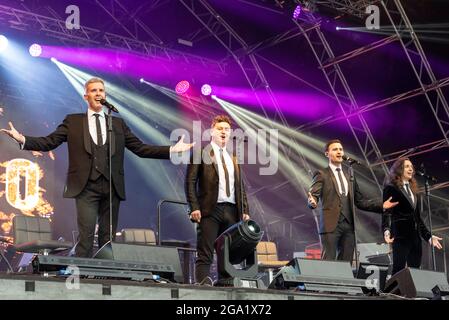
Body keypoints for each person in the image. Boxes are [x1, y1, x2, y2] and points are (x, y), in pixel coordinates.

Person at [1, 77, 194, 257]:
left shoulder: (117, 124)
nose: (98, 93)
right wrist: (23, 139)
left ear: (105, 95)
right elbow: (49, 142)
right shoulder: (73, 121)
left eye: (101, 90)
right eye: (93, 90)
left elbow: (141, 148)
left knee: (107, 238)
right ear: (86, 96)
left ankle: (105, 280)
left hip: (111, 186)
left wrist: (171, 150)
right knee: (85, 236)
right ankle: (82, 277)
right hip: (85, 186)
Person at [308, 139, 398, 262]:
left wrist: (381, 205)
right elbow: (313, 194)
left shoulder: (349, 175)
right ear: (327, 154)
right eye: (335, 149)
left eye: (340, 149)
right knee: (328, 261)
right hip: (330, 225)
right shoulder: (321, 173)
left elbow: (360, 201)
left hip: (349, 225)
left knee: (346, 261)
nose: (339, 151)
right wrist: (312, 202)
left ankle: (344, 281)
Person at [185, 115, 250, 285]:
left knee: (226, 253)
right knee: (205, 251)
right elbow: (190, 181)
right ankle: (202, 286)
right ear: (212, 131)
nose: (224, 132)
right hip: (209, 209)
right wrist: (194, 206)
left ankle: (225, 284)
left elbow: (240, 187)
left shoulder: (233, 157)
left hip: (231, 210)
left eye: (227, 129)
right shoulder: (201, 152)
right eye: (220, 128)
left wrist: (244, 211)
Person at [382, 157, 442, 275]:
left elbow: (418, 218)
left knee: (415, 272)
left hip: (415, 238)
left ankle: (412, 293)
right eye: (407, 166)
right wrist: (386, 230)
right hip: (400, 236)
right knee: (398, 270)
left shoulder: (414, 191)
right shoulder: (391, 188)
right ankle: (393, 293)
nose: (411, 169)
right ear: (399, 169)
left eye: (411, 167)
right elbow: (386, 211)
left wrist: (429, 237)